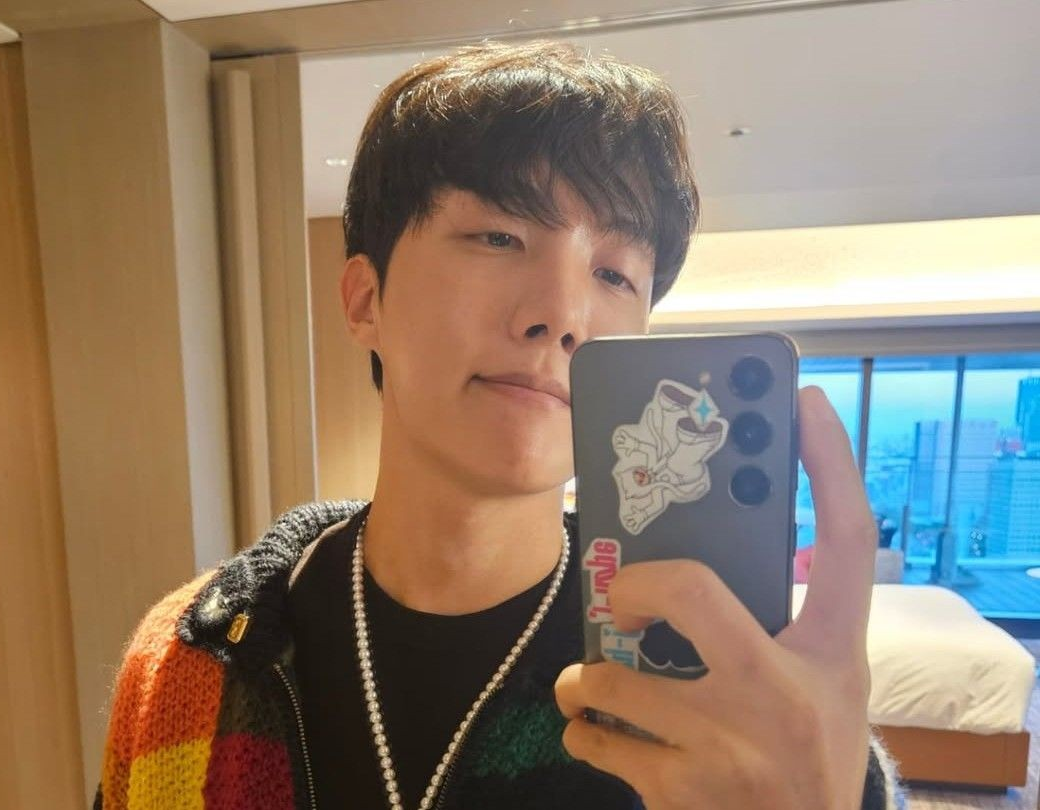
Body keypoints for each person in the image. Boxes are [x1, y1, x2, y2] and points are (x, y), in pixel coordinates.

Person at [94, 40, 904, 809]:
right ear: (367, 301)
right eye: (499, 236)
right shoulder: (190, 660)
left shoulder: (733, 694)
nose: (562, 314)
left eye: (614, 274)